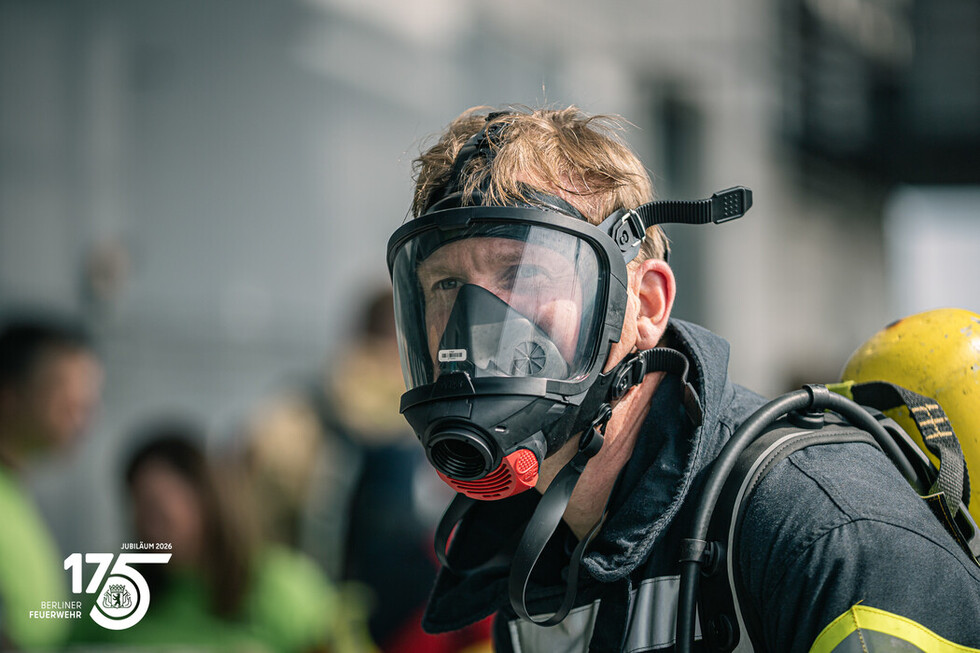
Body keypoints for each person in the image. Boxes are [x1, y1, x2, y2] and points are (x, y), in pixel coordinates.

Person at [383, 106, 980, 652]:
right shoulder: (533, 560)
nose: (478, 326)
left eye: (522, 273)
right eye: (446, 287)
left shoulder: (822, 531)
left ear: (644, 306)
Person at [70, 419, 361, 653]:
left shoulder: (285, 589)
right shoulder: (113, 591)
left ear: (206, 503)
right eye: (137, 511)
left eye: (159, 512)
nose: (147, 527)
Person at [0, 313, 103, 651]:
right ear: (9, 397)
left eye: (87, 406)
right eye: (68, 403)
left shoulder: (16, 494)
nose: (82, 421)